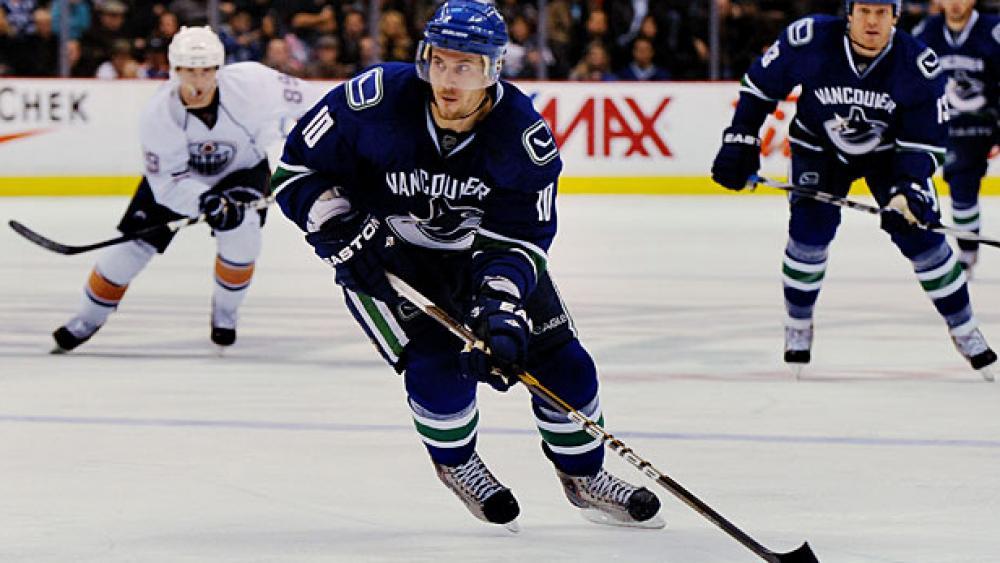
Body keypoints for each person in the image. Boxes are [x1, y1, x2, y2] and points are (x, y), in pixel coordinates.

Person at [273, 0, 664, 530]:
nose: (447, 79)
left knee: (565, 365)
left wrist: (500, 307)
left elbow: (520, 238)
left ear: (493, 68)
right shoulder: (374, 99)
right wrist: (337, 227)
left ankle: (584, 476)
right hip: (386, 261)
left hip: (480, 260)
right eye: (439, 61)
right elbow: (296, 169)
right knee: (438, 367)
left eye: (465, 66)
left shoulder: (521, 138)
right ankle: (457, 463)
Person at [710, 0, 998, 380]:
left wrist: (909, 191)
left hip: (889, 155)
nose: (872, 22)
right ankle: (798, 322)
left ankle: (964, 327)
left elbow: (925, 143)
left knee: (922, 239)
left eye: (882, 13)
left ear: (896, 16)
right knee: (809, 233)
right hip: (819, 148)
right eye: (864, 11)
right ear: (849, 12)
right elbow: (760, 86)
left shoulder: (918, 64)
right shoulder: (810, 39)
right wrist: (741, 137)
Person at [52, 26, 323, 353]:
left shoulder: (254, 82)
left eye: (206, 70)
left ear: (219, 68)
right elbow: (167, 184)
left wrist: (324, 153)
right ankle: (85, 321)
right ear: (174, 70)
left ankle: (225, 317)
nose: (198, 81)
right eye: (189, 71)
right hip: (178, 182)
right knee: (129, 251)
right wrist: (204, 201)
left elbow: (316, 105)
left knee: (243, 236)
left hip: (242, 172)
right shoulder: (157, 115)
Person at [912, 0, 1000, 276]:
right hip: (957, 125)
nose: (955, 3)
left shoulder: (995, 30)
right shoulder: (926, 32)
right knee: (961, 186)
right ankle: (967, 252)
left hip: (992, 116)